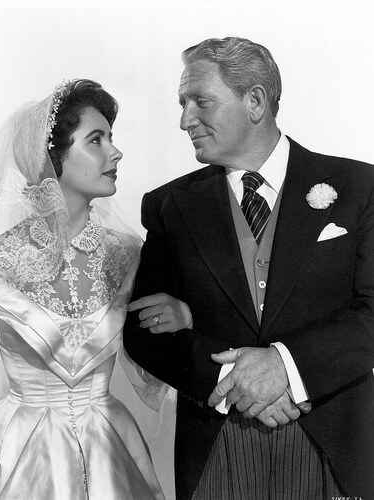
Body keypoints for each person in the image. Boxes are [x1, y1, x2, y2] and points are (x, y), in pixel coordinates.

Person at [123, 37, 374, 499]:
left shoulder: (362, 187)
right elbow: (143, 333)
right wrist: (230, 381)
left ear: (255, 101)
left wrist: (285, 367)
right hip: (217, 443)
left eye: (200, 101)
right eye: (182, 104)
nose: (184, 120)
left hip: (334, 443)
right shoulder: (170, 205)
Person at [0, 79, 181, 499]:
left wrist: (181, 318)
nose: (115, 152)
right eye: (96, 140)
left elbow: (155, 365)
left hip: (111, 454)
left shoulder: (129, 253)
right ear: (52, 158)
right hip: (22, 459)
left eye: (111, 137)